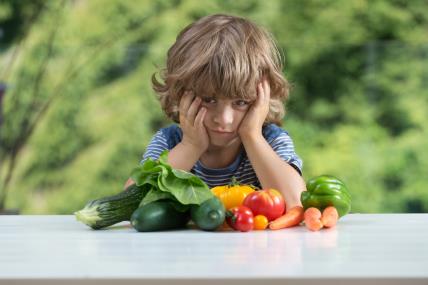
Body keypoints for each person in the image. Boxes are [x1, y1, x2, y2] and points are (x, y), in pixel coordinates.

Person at [124, 14, 305, 208]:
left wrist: (252, 136)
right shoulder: (169, 142)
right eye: (209, 100)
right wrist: (191, 146)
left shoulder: (270, 140)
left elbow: (296, 202)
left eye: (241, 102)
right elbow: (130, 205)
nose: (224, 119)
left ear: (262, 97)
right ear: (181, 93)